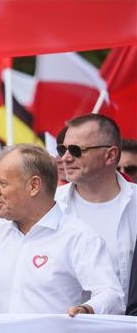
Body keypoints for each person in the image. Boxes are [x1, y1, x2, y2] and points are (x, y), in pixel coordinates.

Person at [0, 144, 124, 315]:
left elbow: (112, 295)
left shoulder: (78, 237)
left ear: (33, 186)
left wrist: (86, 310)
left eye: (2, 183)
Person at [56, 114, 136, 311]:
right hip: (68, 332)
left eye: (75, 150)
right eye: (62, 149)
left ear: (110, 155)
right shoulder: (51, 205)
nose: (65, 157)